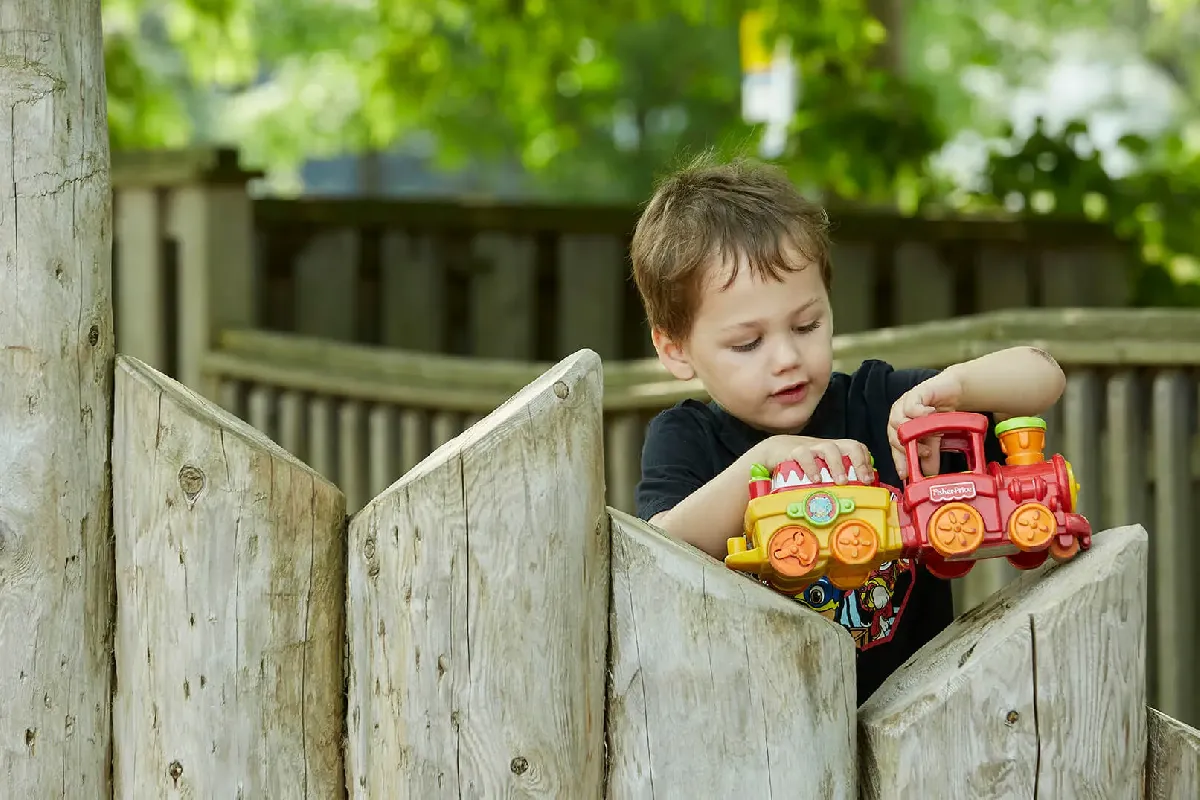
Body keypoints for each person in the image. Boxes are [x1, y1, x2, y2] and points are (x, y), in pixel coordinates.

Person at [629, 154, 1066, 704]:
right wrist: (764, 462)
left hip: (918, 715)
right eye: (748, 343)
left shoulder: (880, 402)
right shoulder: (686, 437)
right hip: (760, 729)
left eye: (807, 324)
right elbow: (656, 551)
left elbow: (1043, 375)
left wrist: (958, 386)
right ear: (675, 350)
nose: (787, 357)